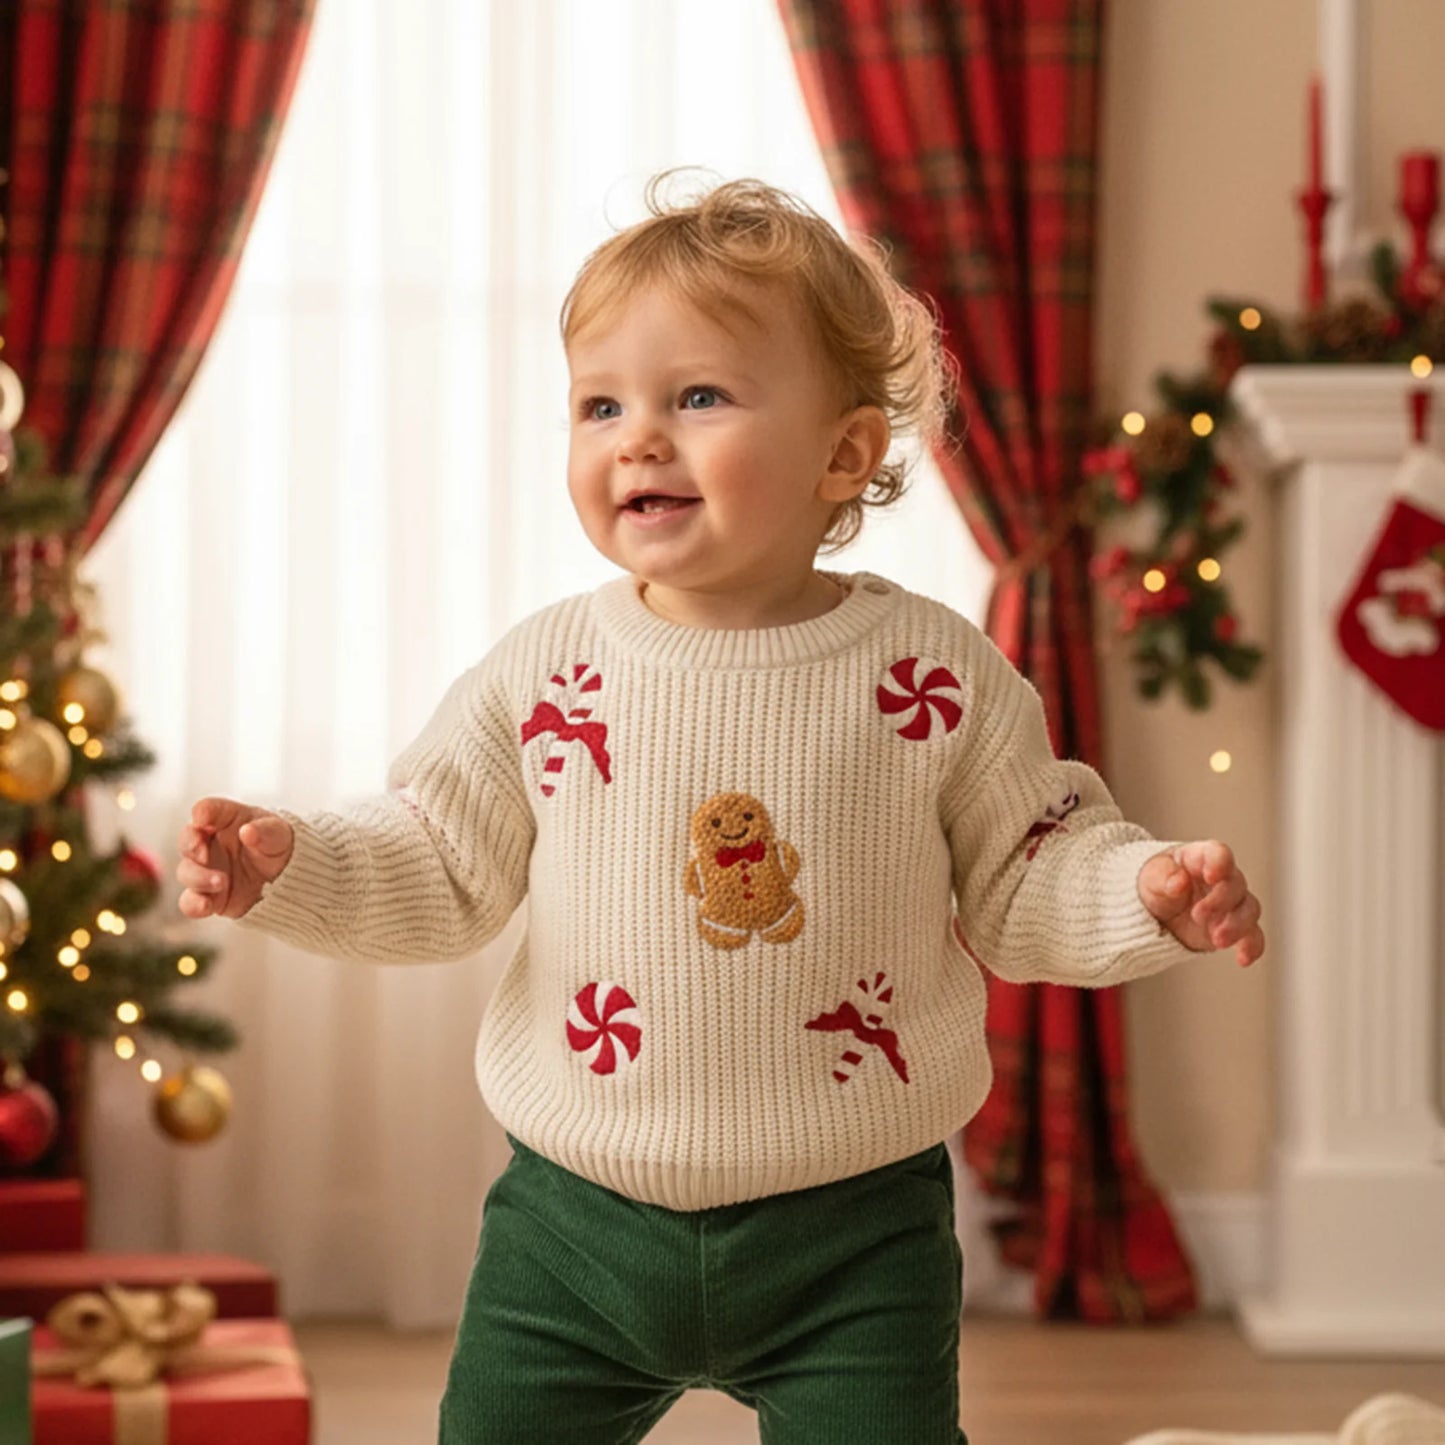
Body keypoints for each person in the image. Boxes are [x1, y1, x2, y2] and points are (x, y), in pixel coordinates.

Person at [175, 172, 1265, 1444]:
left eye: (697, 396)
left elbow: (1028, 872)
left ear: (844, 451)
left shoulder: (929, 673)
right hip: (573, 1228)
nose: (637, 436)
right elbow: (433, 854)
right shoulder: (549, 673)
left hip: (852, 1233)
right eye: (600, 403)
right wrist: (291, 864)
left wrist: (1138, 890)